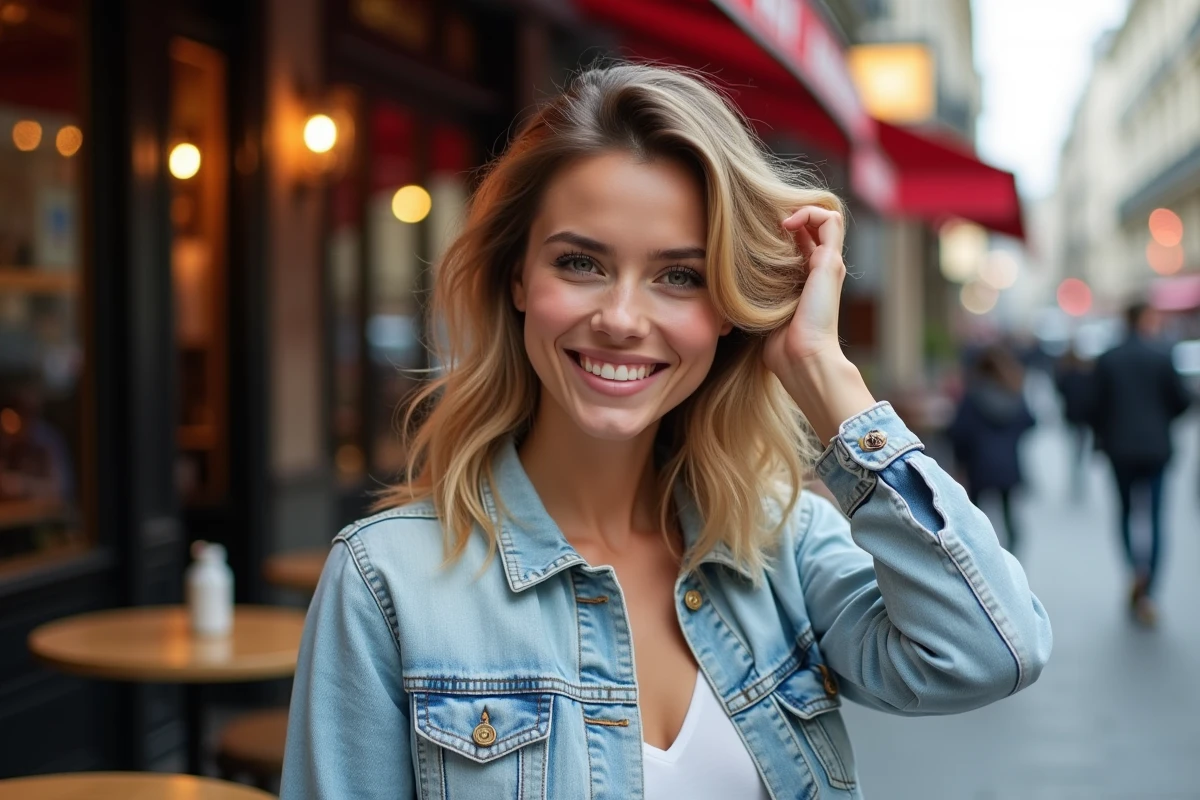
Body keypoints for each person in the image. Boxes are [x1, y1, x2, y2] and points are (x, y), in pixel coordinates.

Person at [281, 64, 1052, 799]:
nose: (621, 318)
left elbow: (990, 653)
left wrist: (824, 372)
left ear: (727, 307)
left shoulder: (780, 545)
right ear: (518, 278)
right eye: (581, 262)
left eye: (679, 275)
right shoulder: (387, 584)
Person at [1090, 302, 1191, 626]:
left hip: (1119, 449)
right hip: (1156, 449)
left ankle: (1135, 570)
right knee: (1157, 517)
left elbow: (1094, 405)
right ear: (1146, 319)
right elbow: (1182, 401)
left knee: (1125, 513)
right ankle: (1149, 588)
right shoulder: (1162, 355)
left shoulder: (1109, 358)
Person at [947, 345, 1036, 555]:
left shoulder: (973, 396)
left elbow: (959, 432)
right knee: (1009, 514)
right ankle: (1013, 557)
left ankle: (980, 556)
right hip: (1009, 464)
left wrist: (960, 461)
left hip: (978, 464)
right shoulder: (1014, 392)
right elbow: (1030, 421)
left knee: (976, 515)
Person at [1053, 344, 1094, 499]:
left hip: (1071, 417)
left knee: (1074, 449)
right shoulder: (1085, 374)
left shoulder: (1064, 374)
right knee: (1080, 449)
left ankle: (1076, 475)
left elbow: (1060, 392)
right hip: (1083, 418)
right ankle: (1079, 475)